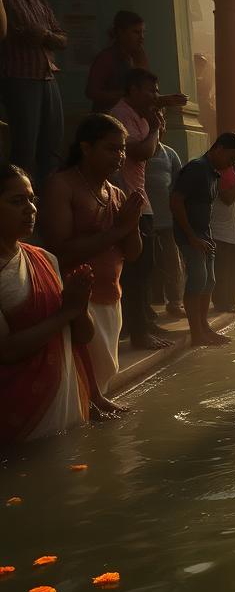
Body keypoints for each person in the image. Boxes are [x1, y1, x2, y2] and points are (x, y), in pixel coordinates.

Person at [38, 114, 143, 398]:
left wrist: (131, 226)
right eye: (111, 148)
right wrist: (119, 228)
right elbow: (60, 251)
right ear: (86, 148)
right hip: (77, 299)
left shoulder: (117, 193)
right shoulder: (62, 185)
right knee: (81, 383)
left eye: (122, 149)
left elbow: (132, 254)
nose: (120, 156)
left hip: (111, 297)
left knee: (102, 377)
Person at [0, 163, 93, 443]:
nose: (30, 209)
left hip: (67, 406)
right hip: (19, 416)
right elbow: (6, 351)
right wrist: (67, 312)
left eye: (32, 199)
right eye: (17, 201)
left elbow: (82, 336)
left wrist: (79, 306)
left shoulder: (45, 258)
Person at [110, 68, 172, 350]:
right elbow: (141, 152)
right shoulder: (121, 114)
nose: (154, 96)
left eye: (156, 91)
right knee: (135, 270)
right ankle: (137, 332)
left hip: (139, 198)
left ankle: (142, 324)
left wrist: (154, 124)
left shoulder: (139, 116)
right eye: (150, 90)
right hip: (126, 200)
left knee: (146, 267)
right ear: (133, 90)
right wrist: (156, 128)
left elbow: (154, 150)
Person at [0, 0, 66, 190]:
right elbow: (13, 33)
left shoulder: (39, 1)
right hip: (18, 77)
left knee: (51, 147)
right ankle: (19, 202)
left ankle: (48, 204)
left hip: (48, 77)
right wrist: (35, 35)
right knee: (25, 146)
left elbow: (62, 38)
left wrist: (45, 36)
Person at [170, 132, 235, 346]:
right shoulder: (197, 168)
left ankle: (204, 327)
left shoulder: (214, 172)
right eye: (231, 158)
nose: (231, 164)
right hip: (190, 235)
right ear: (218, 148)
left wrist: (206, 235)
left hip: (205, 235)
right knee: (197, 281)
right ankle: (197, 332)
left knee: (209, 281)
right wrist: (191, 236)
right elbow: (176, 201)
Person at [85, 10, 188, 114]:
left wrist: (166, 100)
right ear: (121, 32)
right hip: (109, 120)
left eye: (143, 32)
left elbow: (145, 89)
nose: (141, 37)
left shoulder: (139, 56)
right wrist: (126, 96)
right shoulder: (107, 57)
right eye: (136, 32)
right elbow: (91, 92)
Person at [145, 120, 184, 319]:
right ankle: (148, 306)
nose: (158, 129)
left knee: (172, 262)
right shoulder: (140, 152)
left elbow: (179, 186)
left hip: (168, 220)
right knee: (146, 265)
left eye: (161, 125)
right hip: (144, 219)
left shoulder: (170, 153)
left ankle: (175, 302)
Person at [210, 146, 235, 313]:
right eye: (233, 158)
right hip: (218, 228)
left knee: (234, 266)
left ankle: (232, 299)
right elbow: (227, 198)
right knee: (222, 268)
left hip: (232, 226)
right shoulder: (217, 171)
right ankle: (221, 302)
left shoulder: (233, 171)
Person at [194, 54, 216, 139]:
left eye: (203, 66)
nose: (201, 68)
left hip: (205, 109)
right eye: (199, 65)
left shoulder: (204, 81)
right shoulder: (191, 80)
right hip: (198, 110)